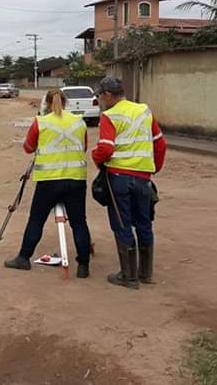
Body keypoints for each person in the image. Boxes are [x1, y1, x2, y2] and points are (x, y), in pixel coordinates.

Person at [4, 89, 93, 278]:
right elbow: (84, 147)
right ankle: (83, 265)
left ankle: (23, 258)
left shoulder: (41, 122)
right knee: (79, 223)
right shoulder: (79, 121)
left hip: (48, 181)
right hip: (76, 179)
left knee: (36, 220)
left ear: (47, 104)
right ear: (66, 102)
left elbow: (28, 148)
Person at [92, 76, 167, 289]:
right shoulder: (144, 111)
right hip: (143, 178)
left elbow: (106, 149)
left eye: (101, 95)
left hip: (119, 178)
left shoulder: (110, 116)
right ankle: (145, 273)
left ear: (107, 95)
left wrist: (96, 158)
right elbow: (160, 144)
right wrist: (153, 168)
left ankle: (129, 276)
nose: (101, 99)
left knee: (122, 223)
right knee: (144, 223)